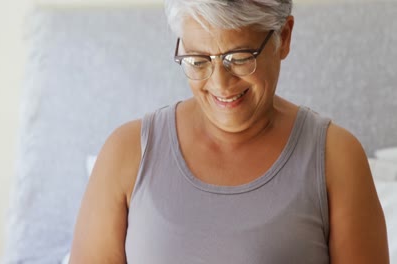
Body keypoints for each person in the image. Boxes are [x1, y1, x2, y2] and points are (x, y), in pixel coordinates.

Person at [69, 0, 389, 263]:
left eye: (239, 58)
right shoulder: (126, 154)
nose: (220, 84)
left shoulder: (336, 158)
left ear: (284, 37)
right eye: (198, 60)